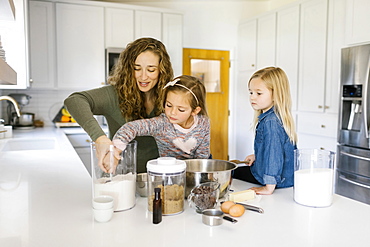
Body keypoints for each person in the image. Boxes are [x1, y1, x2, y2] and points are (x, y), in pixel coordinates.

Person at [64, 37, 174, 173]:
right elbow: (74, 100)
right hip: (120, 177)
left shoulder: (171, 97)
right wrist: (99, 138)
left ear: (162, 71)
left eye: (151, 70)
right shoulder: (114, 94)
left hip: (159, 179)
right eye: (136, 68)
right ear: (128, 69)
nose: (143, 77)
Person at [110, 75, 210, 172]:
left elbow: (202, 157)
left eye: (181, 109)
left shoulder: (203, 123)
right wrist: (116, 149)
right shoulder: (161, 124)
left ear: (195, 111)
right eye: (169, 105)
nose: (172, 112)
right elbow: (131, 127)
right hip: (169, 172)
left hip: (194, 170)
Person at [233, 67, 297, 195]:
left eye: (259, 93)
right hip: (283, 177)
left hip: (276, 180)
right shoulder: (272, 117)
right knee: (235, 169)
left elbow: (274, 155)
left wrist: (268, 187)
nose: (252, 97)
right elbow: (274, 149)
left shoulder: (271, 122)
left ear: (276, 94)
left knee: (232, 172)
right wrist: (258, 156)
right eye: (251, 92)